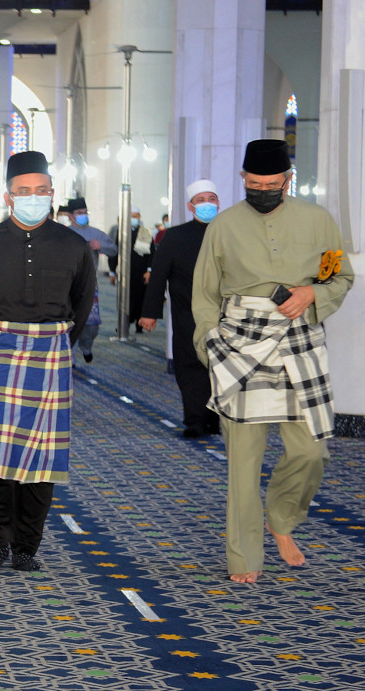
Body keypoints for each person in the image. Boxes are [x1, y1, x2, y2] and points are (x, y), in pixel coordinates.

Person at [192, 139, 353, 585]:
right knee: (243, 461)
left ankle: (281, 519)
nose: (262, 190)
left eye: (272, 183)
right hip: (240, 342)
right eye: (254, 183)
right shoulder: (222, 226)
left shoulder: (319, 222)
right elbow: (204, 293)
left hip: (299, 337)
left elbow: (339, 275)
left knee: (311, 449)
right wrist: (209, 343)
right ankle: (243, 557)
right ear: (243, 179)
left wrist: (312, 294)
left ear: (288, 180)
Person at [0, 151, 96, 572]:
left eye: (41, 191)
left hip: (50, 353)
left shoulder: (74, 245)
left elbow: (82, 303)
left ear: (52, 193)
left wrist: (55, 344)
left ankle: (27, 546)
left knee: (42, 458)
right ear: (8, 196)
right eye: (23, 192)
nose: (33, 198)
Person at [139, 178, 222, 437]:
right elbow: (159, 276)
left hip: (226, 313)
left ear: (218, 203)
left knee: (221, 368)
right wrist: (150, 313)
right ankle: (195, 420)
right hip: (187, 313)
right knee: (190, 366)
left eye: (211, 199)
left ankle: (217, 420)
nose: (207, 204)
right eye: (201, 200)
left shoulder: (228, 233)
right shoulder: (175, 236)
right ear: (190, 206)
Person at [67, 197, 117, 363]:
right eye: (79, 213)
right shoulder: (63, 234)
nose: (83, 215)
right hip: (67, 285)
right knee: (70, 321)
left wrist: (100, 246)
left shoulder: (96, 234)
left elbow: (114, 250)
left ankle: (86, 346)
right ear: (70, 216)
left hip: (89, 286)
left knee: (91, 324)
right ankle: (70, 356)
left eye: (84, 213)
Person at [107, 205, 154, 332]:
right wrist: (112, 271)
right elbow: (114, 253)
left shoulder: (145, 232)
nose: (133, 218)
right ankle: (124, 325)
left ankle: (140, 326)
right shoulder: (122, 232)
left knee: (140, 299)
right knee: (124, 300)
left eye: (135, 216)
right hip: (124, 274)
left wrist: (149, 271)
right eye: (131, 216)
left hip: (141, 273)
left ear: (139, 217)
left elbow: (151, 254)